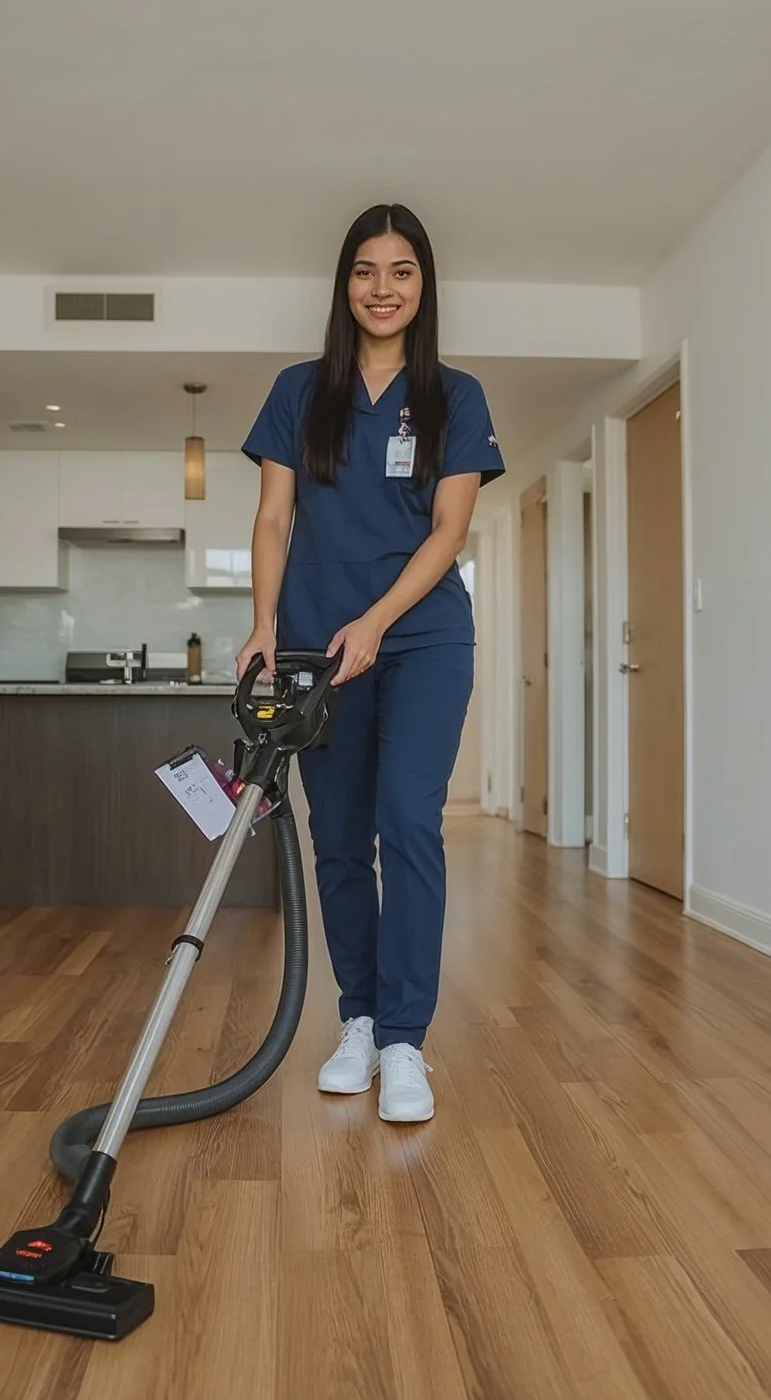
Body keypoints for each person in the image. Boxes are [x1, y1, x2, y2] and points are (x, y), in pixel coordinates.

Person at [236, 203, 502, 1123]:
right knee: (340, 836)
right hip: (315, 644)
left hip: (422, 637)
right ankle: (356, 1018)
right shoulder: (298, 390)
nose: (381, 289)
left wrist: (378, 620)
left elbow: (451, 530)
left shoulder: (454, 397)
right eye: (364, 271)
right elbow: (274, 519)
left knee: (408, 824)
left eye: (401, 272)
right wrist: (266, 623)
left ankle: (404, 1042)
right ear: (343, 283)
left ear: (424, 286)